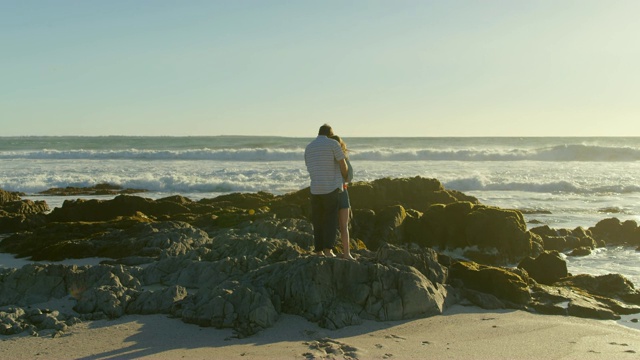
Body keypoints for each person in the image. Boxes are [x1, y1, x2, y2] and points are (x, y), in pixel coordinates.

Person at [304, 124, 349, 257]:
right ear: (330, 134)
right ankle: (328, 250)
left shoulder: (309, 147)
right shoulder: (332, 144)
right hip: (331, 187)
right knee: (330, 220)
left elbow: (308, 166)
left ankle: (318, 251)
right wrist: (345, 176)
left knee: (317, 220)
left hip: (315, 189)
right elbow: (342, 163)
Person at [330, 135, 355, 260]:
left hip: (328, 192)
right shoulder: (343, 158)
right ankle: (347, 253)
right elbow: (349, 177)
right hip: (343, 192)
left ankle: (327, 251)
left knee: (329, 224)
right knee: (344, 225)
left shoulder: (326, 159)